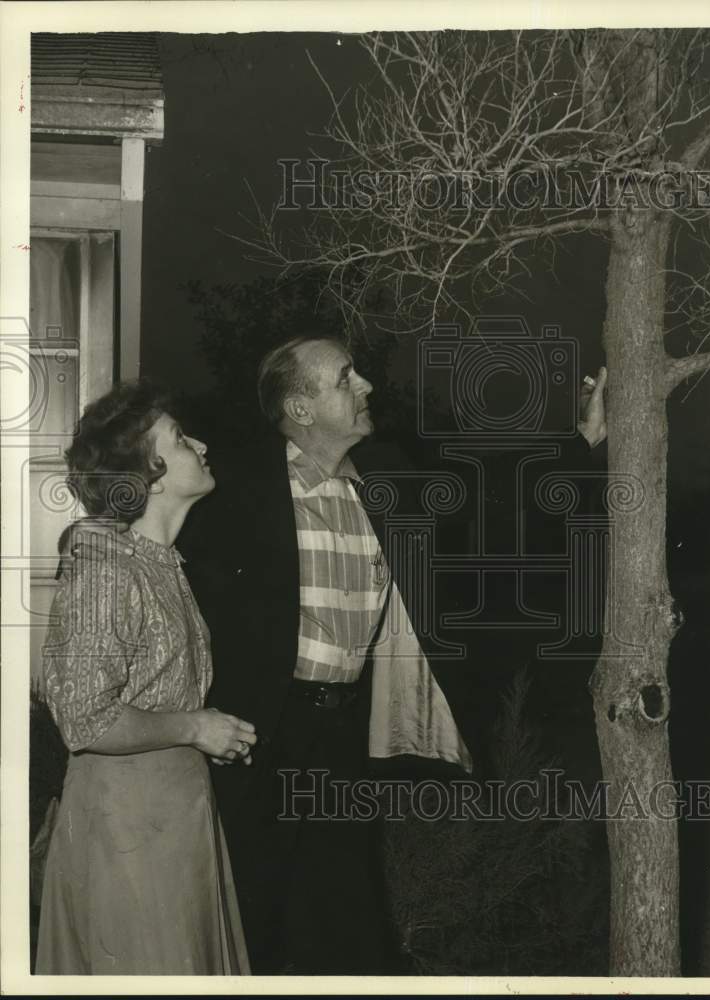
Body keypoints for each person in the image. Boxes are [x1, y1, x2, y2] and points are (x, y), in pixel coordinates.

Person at [177, 335, 608, 975]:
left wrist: (579, 443)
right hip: (257, 736)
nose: (367, 387)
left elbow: (485, 485)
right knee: (251, 911)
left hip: (343, 731)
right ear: (300, 408)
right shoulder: (236, 486)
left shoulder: (381, 473)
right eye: (346, 378)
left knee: (339, 914)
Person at [35, 381, 256, 975]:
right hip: (127, 830)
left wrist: (203, 736)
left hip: (174, 814)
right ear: (147, 475)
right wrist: (195, 728)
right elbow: (84, 718)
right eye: (182, 440)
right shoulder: (106, 568)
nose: (202, 445)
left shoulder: (160, 563)